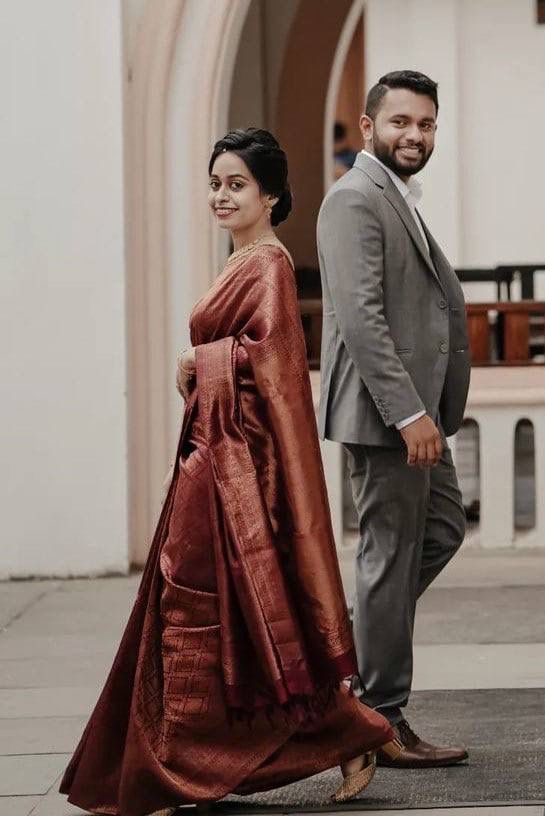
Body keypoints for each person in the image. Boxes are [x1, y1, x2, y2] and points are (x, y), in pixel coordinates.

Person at [59, 128, 400, 816]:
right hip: (209, 457)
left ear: (270, 195)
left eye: (236, 184)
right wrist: (206, 363)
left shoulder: (267, 265)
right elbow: (239, 352)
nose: (221, 194)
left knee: (193, 609)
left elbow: (272, 368)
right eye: (215, 182)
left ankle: (178, 769)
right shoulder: (238, 260)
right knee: (210, 611)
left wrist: (202, 363)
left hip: (233, 467)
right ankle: (344, 734)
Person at [317, 71, 471, 768]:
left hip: (419, 413)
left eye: (426, 124)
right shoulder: (354, 198)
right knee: (387, 558)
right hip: (390, 416)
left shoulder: (396, 196)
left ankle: (346, 659)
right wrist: (409, 411)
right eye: (402, 122)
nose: (414, 134)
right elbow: (360, 317)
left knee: (436, 532)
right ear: (369, 122)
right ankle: (375, 720)